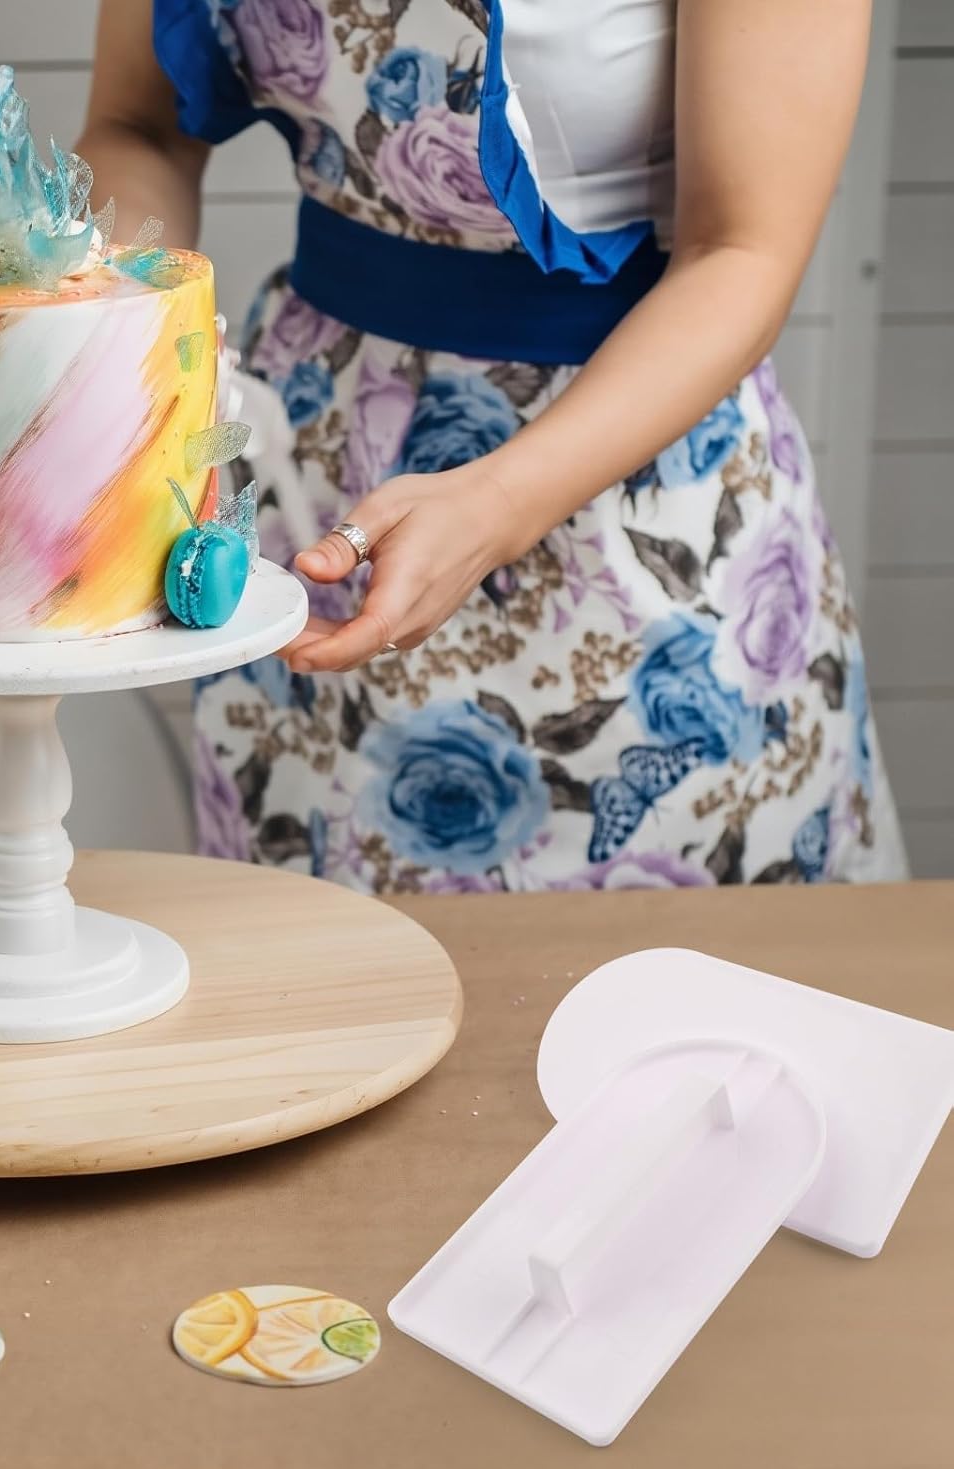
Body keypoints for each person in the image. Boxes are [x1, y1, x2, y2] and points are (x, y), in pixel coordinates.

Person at [76, 0, 906, 893]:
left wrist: (501, 501)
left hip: (632, 509)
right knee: (313, 939)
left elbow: (743, 252)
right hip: (311, 467)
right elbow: (138, 129)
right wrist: (104, 348)